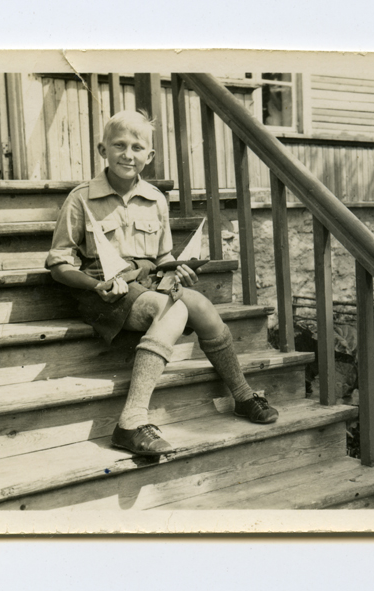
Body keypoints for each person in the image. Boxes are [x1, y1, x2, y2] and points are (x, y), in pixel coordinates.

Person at [45, 110, 278, 457]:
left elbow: (162, 257)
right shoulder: (81, 198)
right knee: (170, 309)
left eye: (137, 147)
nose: (128, 154)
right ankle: (131, 421)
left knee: (200, 304)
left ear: (149, 156)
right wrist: (94, 286)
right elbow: (58, 263)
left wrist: (178, 270)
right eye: (119, 145)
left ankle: (242, 395)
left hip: (149, 282)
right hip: (105, 291)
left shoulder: (156, 198)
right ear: (102, 149)